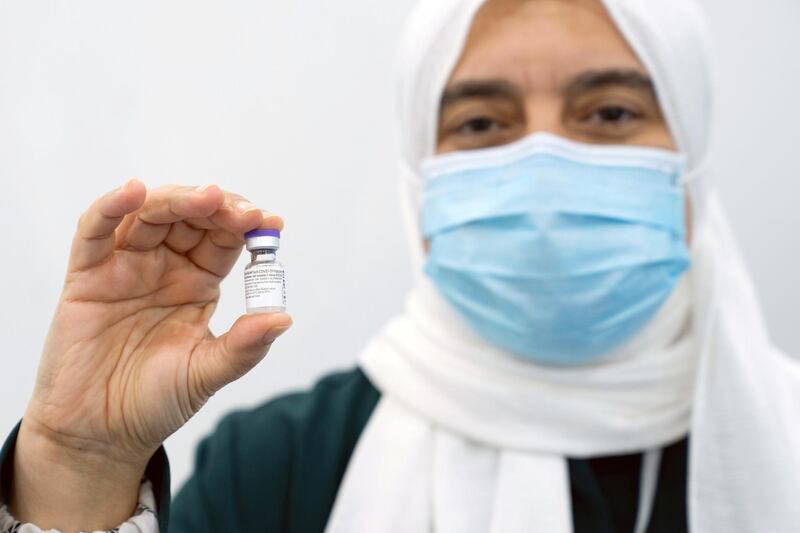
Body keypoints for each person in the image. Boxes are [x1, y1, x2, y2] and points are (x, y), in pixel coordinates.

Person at [2, 0, 799, 531]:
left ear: (689, 158)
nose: (544, 161)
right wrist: (79, 460)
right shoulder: (283, 467)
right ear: (419, 178)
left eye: (611, 112)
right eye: (483, 120)